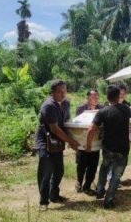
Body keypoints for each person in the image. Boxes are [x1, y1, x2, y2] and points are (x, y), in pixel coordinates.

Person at [35, 80, 79, 211]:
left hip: (58, 142)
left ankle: (54, 195)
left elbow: (66, 123)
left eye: (64, 90)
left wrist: (74, 137)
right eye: (60, 91)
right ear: (52, 92)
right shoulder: (48, 106)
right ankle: (43, 202)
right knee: (46, 172)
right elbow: (54, 129)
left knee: (59, 170)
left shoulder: (65, 103)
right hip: (45, 142)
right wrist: (71, 141)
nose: (63, 94)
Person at [86, 85, 131, 209]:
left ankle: (100, 190)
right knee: (116, 176)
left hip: (108, 148)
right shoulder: (127, 109)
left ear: (107, 97)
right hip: (123, 148)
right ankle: (108, 200)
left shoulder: (103, 112)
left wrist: (88, 145)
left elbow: (91, 130)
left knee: (105, 167)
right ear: (119, 96)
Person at [75, 89, 103, 195]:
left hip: (95, 142)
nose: (95, 98)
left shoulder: (101, 109)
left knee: (93, 165)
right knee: (81, 164)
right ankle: (79, 181)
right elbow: (78, 123)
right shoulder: (80, 109)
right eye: (93, 96)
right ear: (88, 98)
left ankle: (87, 186)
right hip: (83, 140)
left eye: (97, 96)